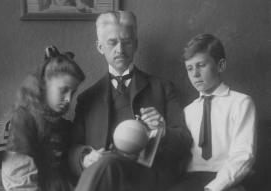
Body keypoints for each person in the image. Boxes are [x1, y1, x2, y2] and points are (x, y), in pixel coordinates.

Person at [69, 11, 192, 191]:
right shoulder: (87, 98)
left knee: (108, 162)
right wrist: (84, 157)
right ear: (100, 47)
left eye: (126, 42)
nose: (120, 49)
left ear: (135, 45)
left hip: (147, 177)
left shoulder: (162, 88)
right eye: (112, 42)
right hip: (104, 178)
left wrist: (162, 132)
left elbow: (185, 140)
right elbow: (72, 148)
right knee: (107, 162)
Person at [0, 46, 85, 191]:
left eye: (73, 92)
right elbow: (19, 183)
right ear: (44, 85)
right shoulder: (22, 121)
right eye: (63, 90)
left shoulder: (63, 125)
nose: (68, 99)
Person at [168, 34, 257, 191]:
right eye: (189, 68)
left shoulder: (241, 103)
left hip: (228, 180)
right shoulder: (188, 111)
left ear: (220, 65)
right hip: (190, 182)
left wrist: (213, 188)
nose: (195, 74)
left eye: (201, 65)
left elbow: (243, 155)